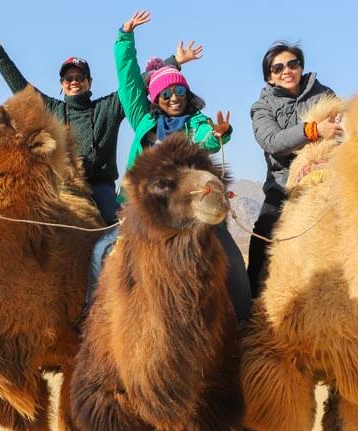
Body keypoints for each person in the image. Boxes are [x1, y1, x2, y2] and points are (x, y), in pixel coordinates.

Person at [85, 10, 251, 323]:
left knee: (230, 259)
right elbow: (129, 80)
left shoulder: (196, 124)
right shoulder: (144, 121)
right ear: (156, 98)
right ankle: (92, 317)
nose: (174, 97)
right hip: (144, 210)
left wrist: (219, 134)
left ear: (188, 95)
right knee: (102, 251)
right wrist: (125, 37)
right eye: (166, 93)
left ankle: (244, 324)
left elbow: (209, 139)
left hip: (191, 211)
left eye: (179, 91)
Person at [0, 21, 203, 224]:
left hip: (100, 188)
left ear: (89, 82)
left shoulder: (107, 107)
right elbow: (20, 86)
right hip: (63, 185)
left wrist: (174, 62)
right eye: (68, 78)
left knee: (120, 229)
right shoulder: (52, 109)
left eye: (80, 77)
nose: (74, 81)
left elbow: (134, 84)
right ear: (62, 84)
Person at [246, 41, 340, 297]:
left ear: (301, 67)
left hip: (327, 180)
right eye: (278, 68)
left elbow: (346, 131)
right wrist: (313, 131)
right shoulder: (262, 107)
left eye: (292, 64)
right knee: (263, 234)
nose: (286, 71)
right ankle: (251, 304)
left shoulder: (325, 96)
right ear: (270, 77)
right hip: (284, 183)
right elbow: (272, 142)